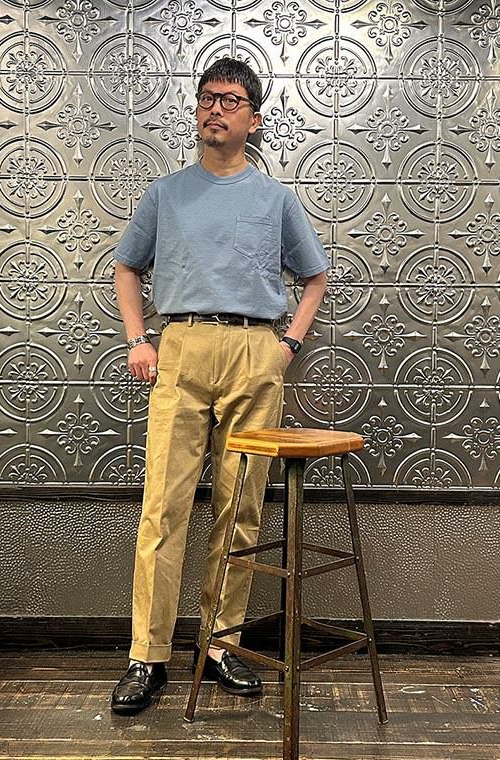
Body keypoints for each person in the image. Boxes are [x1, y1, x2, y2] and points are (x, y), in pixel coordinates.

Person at [110, 57, 328, 715]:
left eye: (230, 100)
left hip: (255, 351)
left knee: (241, 506)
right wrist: (138, 339)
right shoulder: (166, 193)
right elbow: (127, 268)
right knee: (163, 505)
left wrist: (287, 346)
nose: (215, 108)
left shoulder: (275, 199)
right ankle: (147, 656)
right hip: (181, 345)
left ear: (253, 119)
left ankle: (221, 644)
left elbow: (315, 277)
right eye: (207, 97)